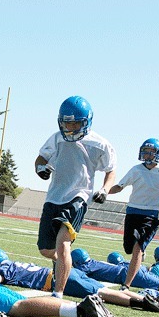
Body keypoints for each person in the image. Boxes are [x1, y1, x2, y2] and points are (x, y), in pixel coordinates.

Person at [34, 96, 116, 299]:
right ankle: (64, 262)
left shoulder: (99, 144)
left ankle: (58, 293)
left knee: (63, 243)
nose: (70, 127)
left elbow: (111, 170)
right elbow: (41, 158)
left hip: (78, 197)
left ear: (86, 121)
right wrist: (40, 169)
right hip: (54, 196)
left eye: (75, 123)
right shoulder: (57, 138)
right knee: (46, 249)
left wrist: (104, 190)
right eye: (67, 123)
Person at [0, 248, 159, 314]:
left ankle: (143, 302)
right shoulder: (14, 263)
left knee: (103, 293)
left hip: (59, 279)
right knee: (100, 289)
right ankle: (146, 297)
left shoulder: (4, 268)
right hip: (66, 272)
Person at [108, 138, 159, 292]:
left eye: (150, 152)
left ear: (158, 154)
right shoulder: (135, 170)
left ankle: (126, 285)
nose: (147, 155)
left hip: (150, 215)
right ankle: (139, 255)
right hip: (132, 212)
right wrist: (104, 191)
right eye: (145, 151)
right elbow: (120, 187)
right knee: (129, 248)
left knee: (137, 249)